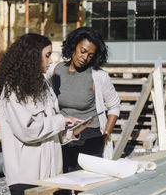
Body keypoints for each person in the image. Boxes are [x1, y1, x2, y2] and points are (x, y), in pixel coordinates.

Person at [0, 33, 90, 195]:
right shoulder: (12, 91)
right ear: (31, 56)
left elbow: (50, 129)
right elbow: (27, 131)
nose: (51, 60)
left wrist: (73, 130)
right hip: (26, 178)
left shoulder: (43, 86)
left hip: (51, 175)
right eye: (47, 55)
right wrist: (60, 121)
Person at [46, 27, 121, 172]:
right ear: (74, 46)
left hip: (89, 137)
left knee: (86, 182)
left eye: (90, 55)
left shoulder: (98, 76)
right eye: (83, 51)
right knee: (61, 182)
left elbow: (114, 106)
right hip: (62, 133)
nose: (85, 58)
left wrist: (105, 135)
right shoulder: (55, 70)